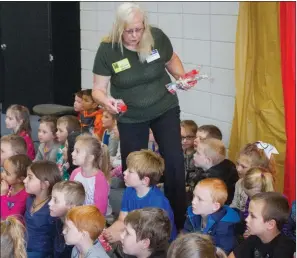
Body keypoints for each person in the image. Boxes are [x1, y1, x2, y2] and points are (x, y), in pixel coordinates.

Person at [91, 2, 196, 229]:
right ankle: (135, 221)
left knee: (175, 163)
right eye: (129, 30)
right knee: (135, 169)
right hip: (131, 116)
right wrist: (107, 101)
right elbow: (97, 89)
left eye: (139, 29)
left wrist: (182, 77)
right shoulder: (108, 50)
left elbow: (171, 59)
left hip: (164, 107)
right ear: (119, 28)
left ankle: (177, 222)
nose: (135, 35)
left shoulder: (156, 37)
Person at [103, 150, 177, 243]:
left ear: (145, 180)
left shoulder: (157, 203)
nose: (124, 172)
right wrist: (107, 233)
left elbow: (150, 237)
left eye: (130, 171)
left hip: (159, 244)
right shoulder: (130, 190)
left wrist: (121, 236)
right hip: (136, 233)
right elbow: (122, 220)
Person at [228, 192, 296, 258]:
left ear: (270, 224)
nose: (246, 219)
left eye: (253, 216)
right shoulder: (255, 237)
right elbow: (233, 256)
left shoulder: (284, 249)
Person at [183, 178, 240, 254]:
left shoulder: (225, 227)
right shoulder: (192, 215)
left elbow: (221, 253)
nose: (193, 202)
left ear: (215, 206)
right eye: (194, 196)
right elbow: (185, 239)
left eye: (200, 199)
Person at [23, 160, 62, 257]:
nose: (24, 180)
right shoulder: (29, 199)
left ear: (44, 185)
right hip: (23, 245)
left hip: (40, 253)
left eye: (30, 178)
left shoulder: (52, 209)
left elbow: (55, 239)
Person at [70, 134, 111, 216]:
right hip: (77, 216)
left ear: (90, 158)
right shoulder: (75, 173)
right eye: (73, 150)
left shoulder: (99, 179)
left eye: (77, 151)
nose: (72, 153)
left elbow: (100, 211)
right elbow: (70, 196)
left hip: (92, 219)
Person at [230, 141, 277, 212]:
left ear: (258, 169)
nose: (238, 169)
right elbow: (234, 206)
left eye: (243, 166)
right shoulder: (239, 183)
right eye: (237, 163)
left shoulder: (265, 189)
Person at [193, 138, 239, 204]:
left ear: (208, 160)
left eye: (197, 153)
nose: (194, 155)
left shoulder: (210, 180)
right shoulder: (228, 165)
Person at [48, 181, 86, 258]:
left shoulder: (76, 234)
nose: (49, 203)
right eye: (51, 198)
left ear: (71, 207)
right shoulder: (57, 221)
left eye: (55, 200)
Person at [1, 154, 32, 219]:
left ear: (20, 179)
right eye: (3, 170)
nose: (3, 174)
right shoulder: (9, 185)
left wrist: (2, 195)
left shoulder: (24, 197)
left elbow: (9, 219)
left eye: (7, 173)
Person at [56, 115, 81, 180]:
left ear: (71, 133)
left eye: (60, 131)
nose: (56, 133)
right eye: (57, 130)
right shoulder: (60, 148)